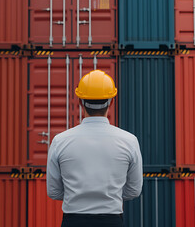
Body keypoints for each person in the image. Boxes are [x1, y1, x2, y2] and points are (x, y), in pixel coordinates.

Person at [47, 69, 143, 227]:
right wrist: (110, 197)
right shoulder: (129, 141)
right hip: (112, 221)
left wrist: (77, 197)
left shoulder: (60, 141)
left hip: (73, 221)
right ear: (111, 102)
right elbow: (133, 190)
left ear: (80, 102)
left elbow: (54, 191)